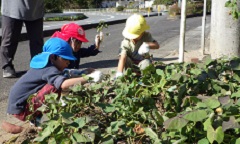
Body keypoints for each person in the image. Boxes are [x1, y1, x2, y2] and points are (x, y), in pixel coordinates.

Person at [2, 38, 103, 134]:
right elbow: (63, 84)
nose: (68, 62)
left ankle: (37, 118)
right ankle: (36, 120)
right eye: (65, 59)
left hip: (18, 107)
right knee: (56, 86)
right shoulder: (49, 70)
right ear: (53, 57)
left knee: (62, 77)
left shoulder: (44, 66)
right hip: (22, 110)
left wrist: (83, 72)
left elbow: (65, 72)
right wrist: (89, 78)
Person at [1, 0, 44, 78]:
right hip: (11, 7)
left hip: (35, 8)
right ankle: (7, 66)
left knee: (37, 41)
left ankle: (37, 65)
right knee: (9, 39)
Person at [116, 14, 160, 78]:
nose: (133, 38)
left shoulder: (146, 36)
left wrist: (148, 45)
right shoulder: (126, 42)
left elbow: (157, 45)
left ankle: (145, 77)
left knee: (146, 63)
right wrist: (119, 72)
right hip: (131, 66)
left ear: (142, 32)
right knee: (125, 59)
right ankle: (129, 76)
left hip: (143, 64)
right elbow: (123, 57)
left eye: (135, 36)